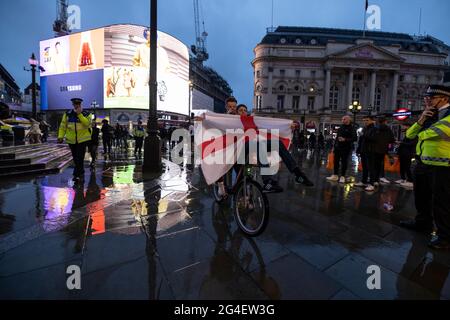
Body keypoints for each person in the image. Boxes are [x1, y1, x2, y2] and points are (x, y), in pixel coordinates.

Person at [400, 85, 450, 250]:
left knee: (441, 202)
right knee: (421, 196)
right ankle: (422, 223)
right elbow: (409, 135)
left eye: (432, 98)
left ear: (444, 98)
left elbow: (428, 133)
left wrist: (420, 130)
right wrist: (421, 120)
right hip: (423, 162)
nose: (427, 100)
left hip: (443, 165)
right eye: (427, 97)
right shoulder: (430, 114)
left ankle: (445, 237)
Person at [57, 98, 92, 183]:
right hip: (71, 140)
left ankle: (77, 174)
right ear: (73, 104)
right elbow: (63, 126)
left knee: (79, 157)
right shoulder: (68, 114)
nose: (76, 106)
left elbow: (87, 124)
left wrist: (79, 114)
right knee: (75, 158)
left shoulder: (87, 113)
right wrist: (60, 136)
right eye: (75, 104)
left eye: (78, 104)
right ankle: (80, 172)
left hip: (83, 140)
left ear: (80, 105)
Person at [327, 115, 357, 184]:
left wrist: (345, 139)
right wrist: (334, 146)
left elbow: (355, 138)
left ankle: (342, 176)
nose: (342, 120)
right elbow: (337, 137)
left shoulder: (352, 128)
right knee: (336, 161)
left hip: (346, 148)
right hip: (338, 147)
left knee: (344, 162)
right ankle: (335, 175)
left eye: (344, 119)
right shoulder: (341, 127)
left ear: (348, 120)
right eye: (342, 119)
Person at [355, 115, 377, 191]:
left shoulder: (374, 129)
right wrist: (358, 149)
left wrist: (363, 135)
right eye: (364, 120)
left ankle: (371, 184)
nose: (365, 122)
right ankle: (364, 181)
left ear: (372, 121)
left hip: (371, 150)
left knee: (371, 168)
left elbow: (374, 139)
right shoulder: (364, 128)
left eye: (367, 120)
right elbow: (361, 140)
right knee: (364, 167)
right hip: (364, 150)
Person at [394, 122, 417, 188]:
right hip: (403, 153)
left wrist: (401, 143)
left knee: (407, 167)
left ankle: (410, 180)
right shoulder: (406, 133)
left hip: (408, 153)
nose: (402, 128)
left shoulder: (413, 134)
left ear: (408, 126)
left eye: (403, 126)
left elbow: (412, 144)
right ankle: (403, 178)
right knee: (402, 166)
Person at [375, 117, 395, 185]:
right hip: (383, 148)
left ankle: (375, 177)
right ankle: (382, 176)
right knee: (381, 163)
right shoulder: (388, 129)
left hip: (375, 148)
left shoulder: (375, 128)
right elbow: (392, 139)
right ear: (385, 121)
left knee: (374, 163)